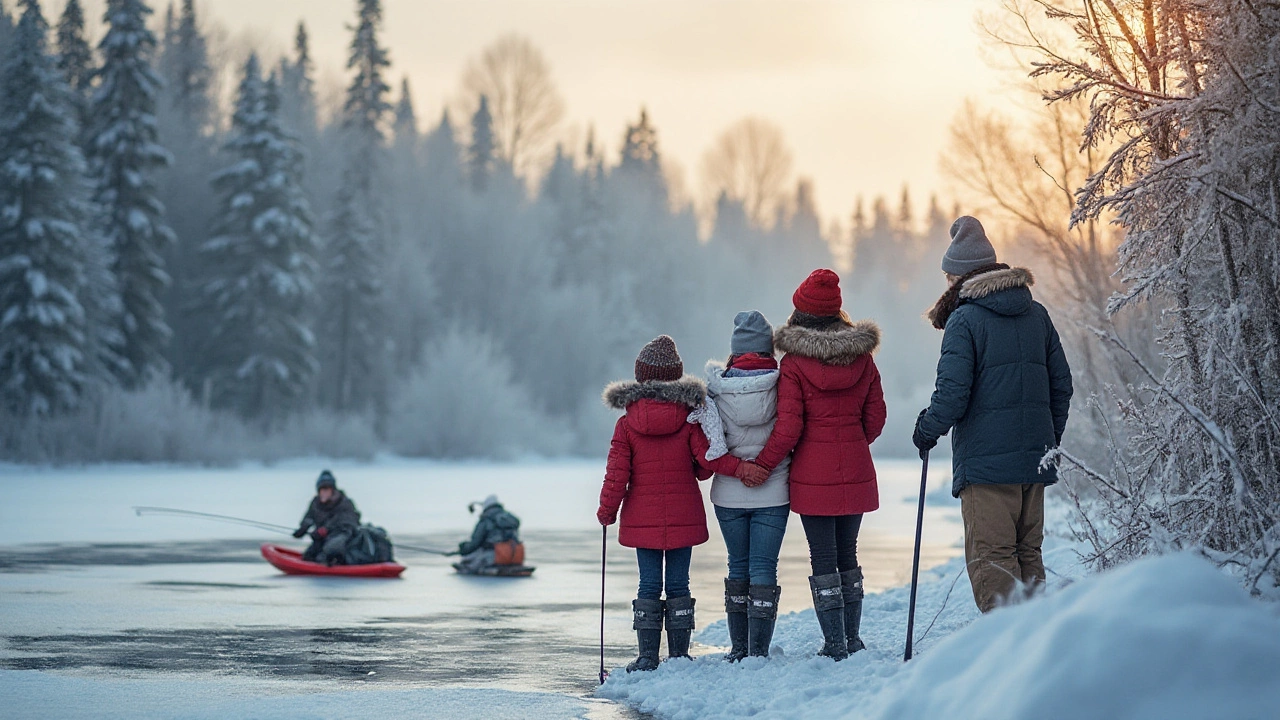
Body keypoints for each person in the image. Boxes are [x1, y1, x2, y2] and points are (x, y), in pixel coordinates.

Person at [912, 216, 1073, 613]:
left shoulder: (964, 320)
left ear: (960, 277)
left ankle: (1007, 650)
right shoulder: (1036, 314)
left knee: (993, 557)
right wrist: (1046, 442)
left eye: (949, 277)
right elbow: (1062, 387)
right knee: (1027, 554)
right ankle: (1037, 647)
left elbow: (952, 395)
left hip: (986, 467)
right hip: (1034, 461)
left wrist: (926, 430)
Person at [743, 269, 886, 661]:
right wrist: (853, 444)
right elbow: (875, 419)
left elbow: (789, 427)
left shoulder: (793, 364)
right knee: (848, 553)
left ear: (801, 313)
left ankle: (835, 644)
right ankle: (852, 640)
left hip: (811, 473)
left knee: (823, 558)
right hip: (856, 468)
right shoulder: (864, 360)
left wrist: (763, 464)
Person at [597, 335, 748, 673]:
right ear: (676, 376)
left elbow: (616, 475)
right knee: (679, 585)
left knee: (648, 585)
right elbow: (706, 464)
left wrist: (607, 511)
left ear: (640, 378)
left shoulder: (627, 425)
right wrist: (721, 466)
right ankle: (679, 656)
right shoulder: (689, 419)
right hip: (684, 516)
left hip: (642, 519)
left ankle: (648, 657)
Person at [701, 311, 789, 661]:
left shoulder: (713, 391)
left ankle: (738, 648)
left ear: (735, 351)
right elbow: (791, 433)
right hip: (774, 489)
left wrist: (739, 469)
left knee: (737, 565)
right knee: (764, 568)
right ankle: (758, 651)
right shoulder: (785, 385)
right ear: (768, 349)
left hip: (728, 493)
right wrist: (765, 466)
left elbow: (709, 448)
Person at [293, 470, 361, 565]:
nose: (324, 492)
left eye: (327, 489)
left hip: (343, 536)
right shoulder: (315, 503)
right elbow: (309, 517)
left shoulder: (344, 502)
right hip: (322, 538)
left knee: (331, 550)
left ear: (332, 490)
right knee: (309, 555)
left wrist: (326, 529)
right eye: (322, 489)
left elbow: (347, 521)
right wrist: (303, 529)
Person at [457, 495, 522, 572]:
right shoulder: (510, 519)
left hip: (493, 556)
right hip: (515, 556)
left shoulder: (486, 520)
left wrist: (464, 548)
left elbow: (475, 543)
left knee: (467, 561)